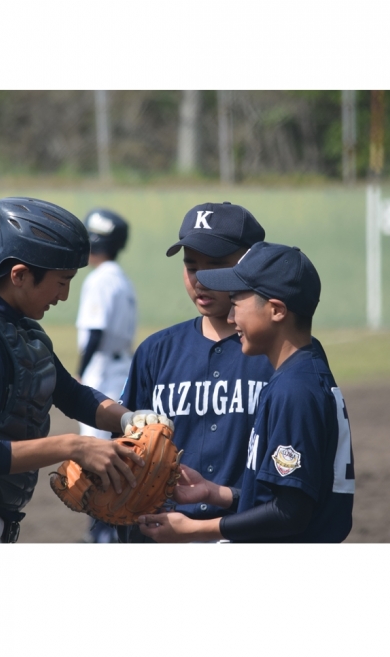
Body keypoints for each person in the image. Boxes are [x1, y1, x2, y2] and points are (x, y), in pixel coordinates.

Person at [0, 197, 142, 544]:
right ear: (19, 275)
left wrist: (130, 420)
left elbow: (72, 395)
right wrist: (73, 446)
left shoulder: (22, 330)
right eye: (62, 281)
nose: (65, 295)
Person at [138, 242, 355, 543]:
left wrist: (194, 529)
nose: (230, 318)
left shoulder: (294, 390)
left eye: (237, 302)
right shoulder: (297, 375)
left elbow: (289, 514)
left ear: (276, 310)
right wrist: (215, 492)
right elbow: (282, 498)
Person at [117, 202, 275, 543]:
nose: (200, 280)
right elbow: (127, 443)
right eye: (191, 266)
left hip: (250, 531)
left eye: (216, 265)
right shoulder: (156, 351)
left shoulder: (275, 352)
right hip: (165, 533)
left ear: (253, 263)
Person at [76, 209, 137, 544]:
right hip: (121, 369)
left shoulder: (99, 280)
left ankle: (102, 531)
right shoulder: (122, 279)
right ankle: (109, 528)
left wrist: (79, 373)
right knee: (114, 447)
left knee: (96, 453)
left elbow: (95, 331)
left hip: (101, 371)